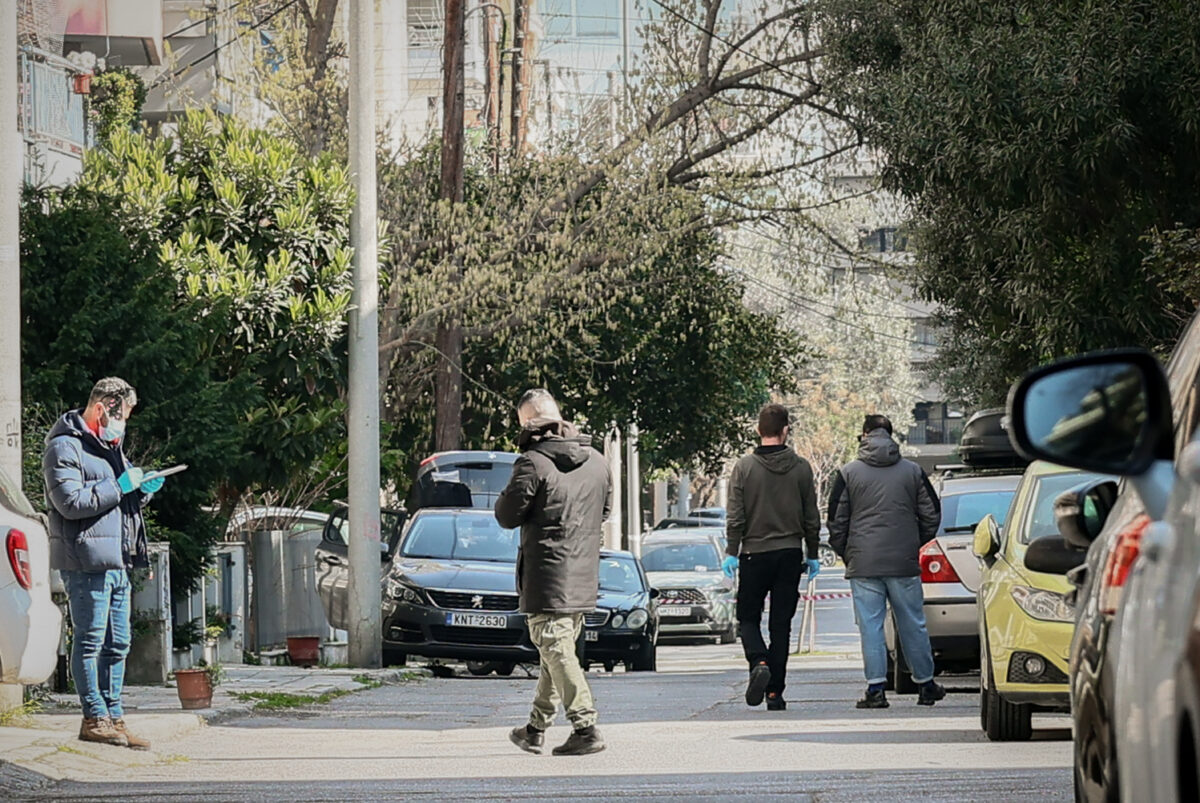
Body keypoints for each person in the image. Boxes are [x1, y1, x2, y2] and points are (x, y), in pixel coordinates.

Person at [43, 377, 167, 749]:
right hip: (86, 561)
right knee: (91, 640)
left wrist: (141, 492)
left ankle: (114, 716)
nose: (123, 425)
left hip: (116, 560)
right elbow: (71, 503)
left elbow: (118, 500)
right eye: (122, 416)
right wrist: (121, 486)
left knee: (119, 643)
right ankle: (93, 717)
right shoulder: (63, 447)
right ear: (101, 408)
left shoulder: (110, 446)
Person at [496, 388, 612, 756]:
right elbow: (604, 512)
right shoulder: (597, 461)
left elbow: (506, 515)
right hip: (583, 578)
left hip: (547, 578)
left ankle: (585, 726)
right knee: (555, 652)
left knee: (557, 650)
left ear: (528, 423)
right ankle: (534, 728)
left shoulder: (532, 462)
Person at [828, 414, 945, 709]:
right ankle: (926, 685)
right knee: (913, 623)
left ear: (865, 435)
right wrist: (912, 542)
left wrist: (848, 552)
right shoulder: (913, 471)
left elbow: (836, 521)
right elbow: (931, 514)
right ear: (891, 436)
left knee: (870, 626)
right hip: (903, 561)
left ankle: (876, 690)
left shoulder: (848, 472)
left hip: (864, 563)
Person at [723, 403, 822, 711]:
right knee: (781, 625)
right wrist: (814, 552)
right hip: (790, 554)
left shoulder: (744, 467)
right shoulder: (802, 468)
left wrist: (732, 550)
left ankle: (759, 660)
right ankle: (775, 693)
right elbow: (811, 517)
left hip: (753, 554)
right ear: (785, 430)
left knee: (747, 618)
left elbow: (735, 516)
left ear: (758, 431)